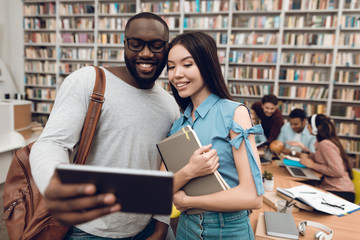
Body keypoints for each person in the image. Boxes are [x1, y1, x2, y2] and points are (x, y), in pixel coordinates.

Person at [29, 12, 180, 239]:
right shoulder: (87, 80)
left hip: (145, 230)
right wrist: (52, 181)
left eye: (156, 46)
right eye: (136, 44)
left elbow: (168, 170)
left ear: (167, 49)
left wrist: (160, 226)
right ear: (124, 44)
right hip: (87, 230)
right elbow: (52, 142)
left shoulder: (170, 104)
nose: (146, 53)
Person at [165, 31, 264, 239]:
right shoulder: (177, 125)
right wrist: (190, 171)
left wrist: (189, 202)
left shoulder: (235, 113)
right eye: (171, 67)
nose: (176, 74)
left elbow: (252, 197)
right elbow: (161, 188)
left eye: (187, 64)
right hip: (186, 228)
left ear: (207, 64)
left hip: (228, 229)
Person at [299, 114, 355, 202]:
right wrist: (309, 154)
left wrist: (312, 164)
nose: (307, 127)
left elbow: (338, 171)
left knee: (300, 197)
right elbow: (323, 159)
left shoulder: (325, 144)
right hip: (334, 189)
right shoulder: (325, 142)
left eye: (308, 125)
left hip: (341, 192)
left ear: (314, 128)